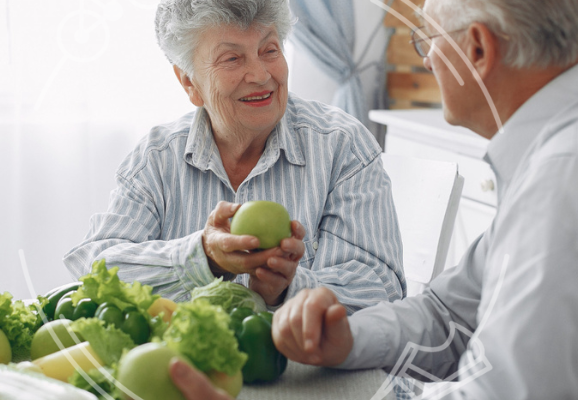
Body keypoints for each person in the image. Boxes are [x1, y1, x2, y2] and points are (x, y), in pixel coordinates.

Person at [266, 0, 578, 399]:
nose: (427, 62)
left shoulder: (569, 183)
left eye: (429, 41)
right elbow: (451, 315)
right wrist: (349, 339)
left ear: (476, 49)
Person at [63, 0, 405, 310]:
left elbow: (382, 288)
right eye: (232, 58)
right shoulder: (157, 157)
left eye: (269, 49)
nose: (260, 75)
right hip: (182, 370)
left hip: (308, 374)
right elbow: (96, 270)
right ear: (189, 83)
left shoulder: (342, 147)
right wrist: (203, 257)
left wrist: (289, 289)